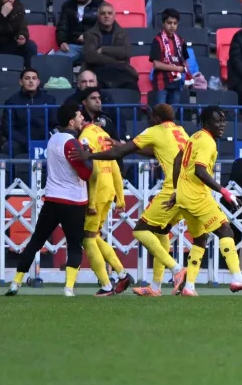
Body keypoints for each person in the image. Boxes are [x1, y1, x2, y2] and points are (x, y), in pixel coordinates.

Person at [69, 103, 188, 296]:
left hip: (171, 189)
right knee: (162, 231)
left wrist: (90, 154)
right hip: (191, 189)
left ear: (156, 118)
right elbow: (153, 150)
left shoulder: (155, 129)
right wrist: (121, 145)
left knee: (141, 230)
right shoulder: (180, 131)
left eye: (150, 117)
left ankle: (176, 269)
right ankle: (157, 287)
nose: (148, 120)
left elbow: (118, 154)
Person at [168, 106, 242, 296]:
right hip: (197, 196)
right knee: (225, 229)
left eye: (223, 121)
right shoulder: (207, 142)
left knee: (200, 239)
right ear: (206, 123)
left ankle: (189, 286)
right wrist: (224, 192)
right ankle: (237, 277)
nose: (221, 125)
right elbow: (200, 171)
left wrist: (177, 189)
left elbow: (178, 160)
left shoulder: (194, 137)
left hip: (185, 196)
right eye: (217, 121)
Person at [5, 103, 94, 297]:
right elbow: (85, 173)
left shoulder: (53, 139)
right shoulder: (72, 143)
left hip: (53, 198)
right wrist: (90, 155)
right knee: (73, 244)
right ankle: (69, 288)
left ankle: (15, 283)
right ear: (71, 120)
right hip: (73, 200)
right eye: (79, 116)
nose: (82, 119)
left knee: (36, 240)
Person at [77, 88, 134, 295]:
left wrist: (90, 203)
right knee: (95, 235)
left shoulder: (85, 137)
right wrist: (119, 195)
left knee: (88, 239)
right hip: (108, 189)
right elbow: (116, 164)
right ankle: (121, 274)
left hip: (98, 191)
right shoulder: (103, 133)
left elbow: (91, 170)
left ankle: (106, 284)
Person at [149, 8, 191, 105]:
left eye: (175, 23)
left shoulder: (181, 40)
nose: (172, 26)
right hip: (161, 83)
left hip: (176, 83)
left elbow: (185, 60)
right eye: (169, 23)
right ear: (163, 23)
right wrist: (177, 68)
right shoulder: (157, 40)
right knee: (162, 114)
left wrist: (187, 76)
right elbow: (156, 64)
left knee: (172, 114)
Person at [54, 0, 101, 64]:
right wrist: (62, 41)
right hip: (73, 46)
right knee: (55, 62)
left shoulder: (100, 6)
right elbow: (62, 26)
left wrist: (87, 36)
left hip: (95, 46)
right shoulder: (67, 5)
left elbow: (105, 27)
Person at [0, 0, 38, 69]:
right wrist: (2, 16)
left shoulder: (18, 6)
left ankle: (29, 75)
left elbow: (23, 26)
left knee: (30, 46)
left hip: (11, 42)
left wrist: (22, 36)